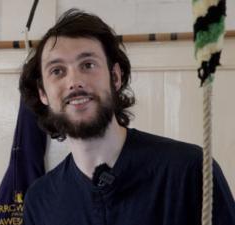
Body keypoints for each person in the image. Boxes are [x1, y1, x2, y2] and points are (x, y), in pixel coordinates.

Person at [19, 8, 235, 225]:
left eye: (88, 65)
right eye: (57, 71)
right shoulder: (40, 201)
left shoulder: (190, 171)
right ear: (43, 93)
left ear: (115, 77)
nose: (74, 81)